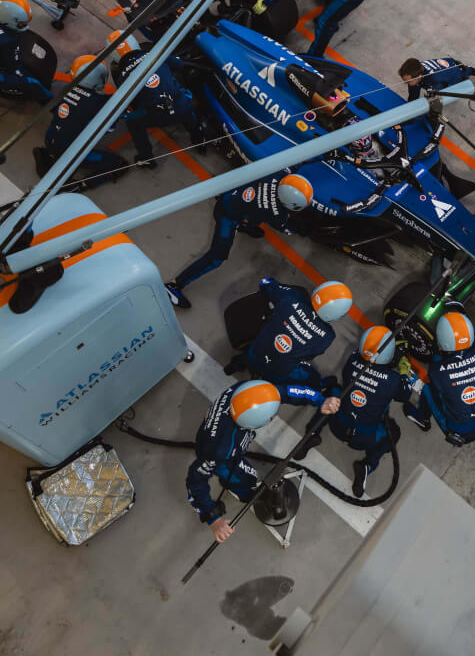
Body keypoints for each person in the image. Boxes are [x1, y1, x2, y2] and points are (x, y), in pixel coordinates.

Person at [187, 379, 338, 542]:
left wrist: (320, 400)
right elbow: (195, 482)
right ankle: (239, 491)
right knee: (248, 478)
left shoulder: (249, 392)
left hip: (224, 442)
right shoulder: (218, 450)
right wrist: (213, 519)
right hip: (223, 459)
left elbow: (285, 391)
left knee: (249, 474)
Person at [165, 174, 316, 309]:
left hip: (233, 195)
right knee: (216, 258)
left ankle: (245, 225)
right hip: (227, 216)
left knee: (255, 213)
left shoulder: (278, 173)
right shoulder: (277, 215)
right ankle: (174, 285)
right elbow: (287, 229)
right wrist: (301, 228)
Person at [223, 277, 353, 388]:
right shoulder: (328, 337)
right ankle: (321, 385)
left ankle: (237, 364)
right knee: (311, 375)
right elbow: (308, 357)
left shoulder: (292, 297)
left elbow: (266, 283)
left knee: (257, 352)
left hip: (255, 352)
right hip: (277, 373)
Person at [327, 327, 407, 496]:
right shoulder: (392, 380)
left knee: (331, 391)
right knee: (394, 432)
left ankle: (311, 435)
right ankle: (368, 465)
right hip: (364, 439)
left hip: (336, 425)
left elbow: (360, 358)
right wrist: (404, 374)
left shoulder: (352, 361)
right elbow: (404, 395)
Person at [402, 311, 475, 445]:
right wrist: (461, 315)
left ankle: (423, 419)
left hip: (459, 433)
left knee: (428, 389)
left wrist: (407, 374)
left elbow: (436, 367)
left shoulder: (437, 370)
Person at [34, 69, 129, 191]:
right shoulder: (96, 102)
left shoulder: (68, 89)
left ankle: (49, 154)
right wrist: (118, 114)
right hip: (67, 151)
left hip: (50, 138)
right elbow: (107, 130)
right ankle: (81, 186)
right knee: (118, 164)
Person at [115, 42, 205, 168]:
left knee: (132, 122)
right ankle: (199, 139)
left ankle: (146, 158)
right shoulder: (156, 55)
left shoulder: (121, 79)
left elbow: (128, 101)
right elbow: (179, 64)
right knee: (183, 100)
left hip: (157, 115)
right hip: (181, 105)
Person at [399, 56, 475, 101]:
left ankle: (472, 71)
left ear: (419, 76)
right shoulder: (416, 68)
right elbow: (413, 92)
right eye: (404, 80)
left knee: (463, 77)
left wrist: (431, 96)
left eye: (407, 81)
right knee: (414, 86)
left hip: (454, 72)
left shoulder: (433, 79)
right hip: (445, 64)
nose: (405, 83)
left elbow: (438, 96)